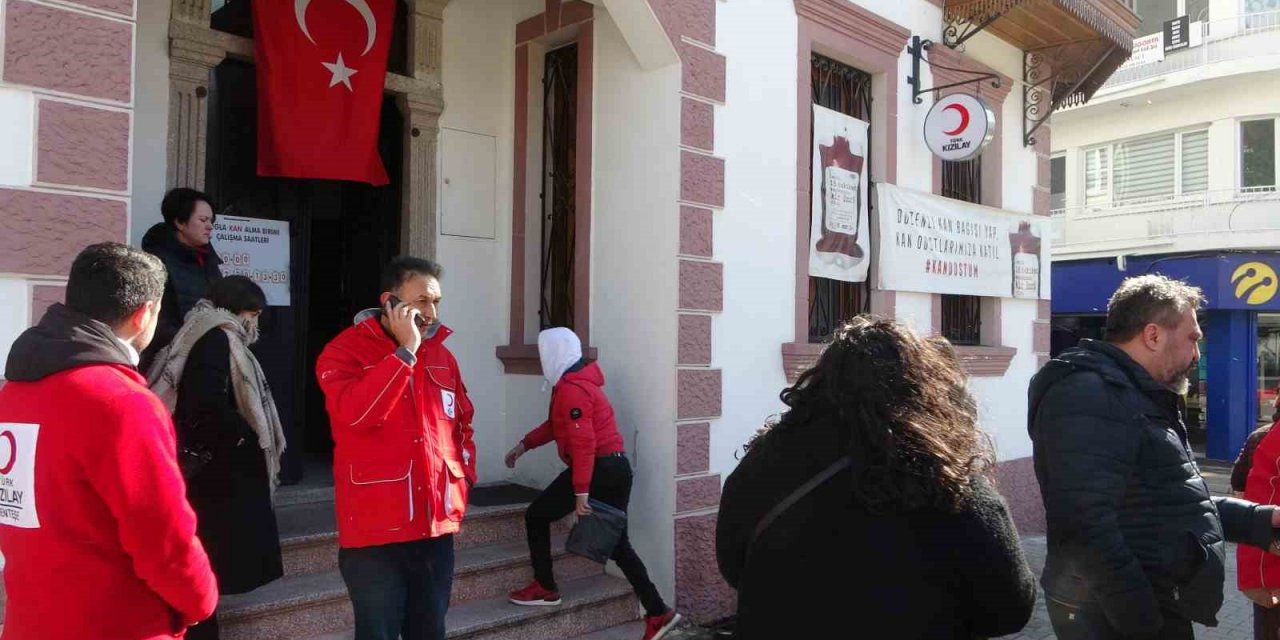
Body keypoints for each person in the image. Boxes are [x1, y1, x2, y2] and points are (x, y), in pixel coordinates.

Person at [714, 317, 1035, 640]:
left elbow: (734, 565)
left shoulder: (763, 462)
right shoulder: (947, 479)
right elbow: (1010, 608)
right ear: (922, 389)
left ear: (823, 381)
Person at [1030, 274, 1280, 639]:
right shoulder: (1088, 393)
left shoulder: (1135, 393)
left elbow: (1167, 500)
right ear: (1152, 335)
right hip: (1120, 619)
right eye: (1193, 338)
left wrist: (1260, 520)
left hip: (1151, 607)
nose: (1197, 354)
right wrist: (1145, 622)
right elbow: (1085, 529)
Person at [0, 243, 217, 639]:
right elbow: (163, 537)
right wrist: (201, 599)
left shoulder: (14, 392)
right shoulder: (123, 402)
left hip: (31, 618)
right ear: (143, 315)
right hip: (117, 622)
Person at [316, 257, 476, 640]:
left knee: (429, 631)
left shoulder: (442, 354)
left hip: (435, 528)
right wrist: (405, 353)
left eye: (436, 301)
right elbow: (357, 414)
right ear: (390, 302)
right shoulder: (343, 352)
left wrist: (463, 480)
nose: (432, 312)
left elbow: (462, 424)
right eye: (421, 301)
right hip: (376, 533)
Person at [504, 328, 682, 640]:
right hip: (612, 468)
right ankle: (658, 611)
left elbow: (583, 442)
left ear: (554, 354)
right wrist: (524, 445)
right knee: (617, 545)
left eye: (544, 352)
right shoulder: (572, 384)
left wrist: (581, 491)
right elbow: (555, 426)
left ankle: (546, 587)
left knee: (537, 515)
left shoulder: (572, 389)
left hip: (600, 469)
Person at [146, 275, 287, 640]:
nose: (254, 323)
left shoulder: (202, 329)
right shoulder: (217, 337)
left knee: (205, 569)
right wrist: (243, 439)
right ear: (235, 309)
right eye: (251, 313)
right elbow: (204, 404)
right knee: (205, 570)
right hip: (216, 478)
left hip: (210, 474)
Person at [140, 187, 223, 370]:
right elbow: (153, 319)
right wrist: (190, 340)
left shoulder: (208, 259)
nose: (210, 226)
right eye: (203, 220)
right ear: (179, 222)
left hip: (207, 357)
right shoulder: (154, 262)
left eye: (211, 220)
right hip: (168, 362)